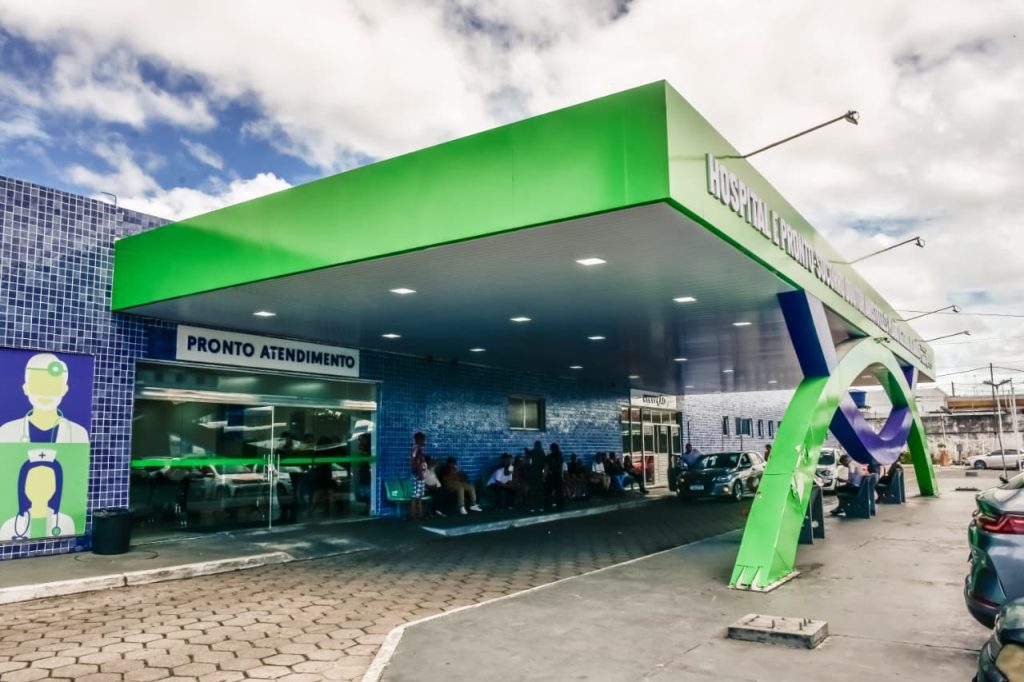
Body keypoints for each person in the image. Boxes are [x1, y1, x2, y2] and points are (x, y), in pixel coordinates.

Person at [0, 353, 89, 443]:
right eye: (38, 385)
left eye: (53, 386)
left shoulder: (78, 433)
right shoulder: (7, 431)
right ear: (26, 388)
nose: (45, 393)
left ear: (64, 389)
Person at [0, 450, 76, 541]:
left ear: (57, 486)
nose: (40, 487)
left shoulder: (66, 522)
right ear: (23, 486)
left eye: (47, 481)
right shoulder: (9, 525)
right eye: (34, 481)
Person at [409, 432, 428, 521]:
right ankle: (414, 515)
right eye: (423, 440)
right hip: (418, 475)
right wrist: (419, 473)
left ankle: (419, 514)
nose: (424, 441)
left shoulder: (416, 448)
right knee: (416, 495)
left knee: (417, 495)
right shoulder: (417, 449)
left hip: (417, 474)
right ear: (419, 440)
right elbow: (416, 462)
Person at [544, 443, 565, 511]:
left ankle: (548, 507)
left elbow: (546, 467)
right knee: (559, 492)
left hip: (551, 476)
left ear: (551, 449)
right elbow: (561, 467)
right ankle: (560, 507)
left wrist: (544, 476)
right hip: (558, 476)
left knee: (548, 492)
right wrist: (562, 476)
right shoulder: (560, 456)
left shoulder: (549, 457)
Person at [527, 441, 546, 512]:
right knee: (540, 490)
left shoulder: (532, 452)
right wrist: (543, 474)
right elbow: (544, 464)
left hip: (533, 474)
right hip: (539, 473)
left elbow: (528, 461)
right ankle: (540, 506)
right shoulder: (542, 452)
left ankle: (532, 507)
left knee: (532, 490)